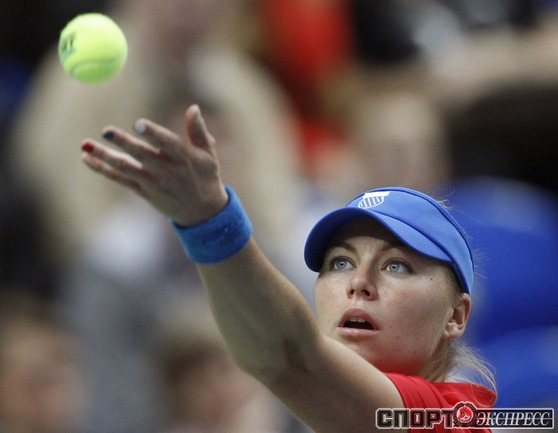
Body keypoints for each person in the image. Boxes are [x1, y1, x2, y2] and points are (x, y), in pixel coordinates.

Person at [80, 104, 496, 433]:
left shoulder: (449, 417)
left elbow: (288, 357)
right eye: (340, 262)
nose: (359, 282)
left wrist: (209, 222)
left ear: (456, 316)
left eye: (397, 266)